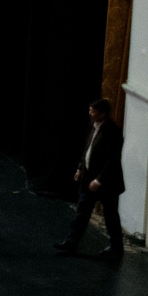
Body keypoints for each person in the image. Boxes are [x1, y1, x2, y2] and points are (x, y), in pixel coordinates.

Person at [57, 96, 124, 257]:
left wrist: (99, 179)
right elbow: (88, 148)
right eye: (90, 111)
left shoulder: (113, 132)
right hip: (89, 179)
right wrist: (80, 168)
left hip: (107, 183)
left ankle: (116, 247)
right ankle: (71, 243)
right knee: (82, 212)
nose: (90, 114)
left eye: (93, 112)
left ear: (103, 113)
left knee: (110, 216)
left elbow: (112, 160)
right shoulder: (93, 126)